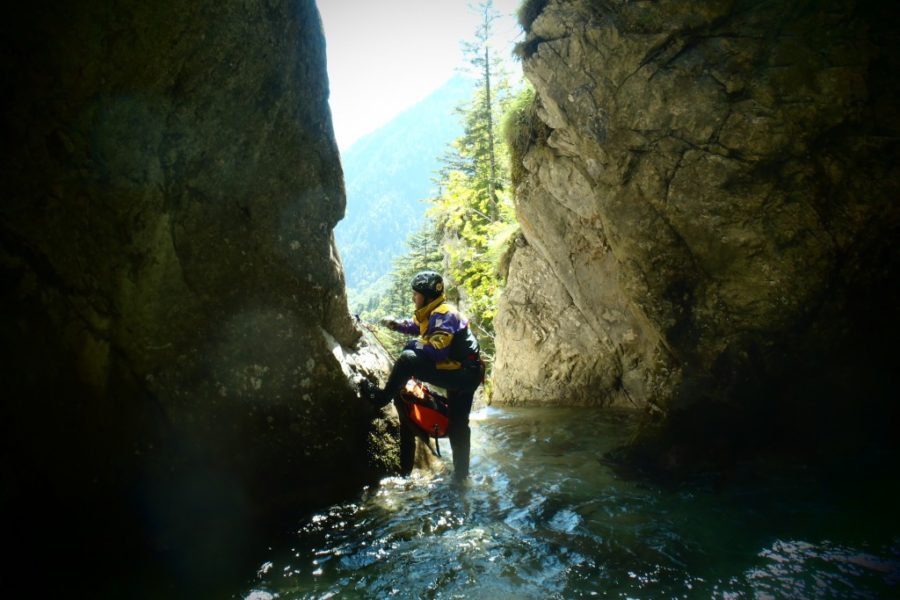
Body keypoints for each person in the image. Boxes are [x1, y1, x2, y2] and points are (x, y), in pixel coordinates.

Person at [363, 270, 483, 481]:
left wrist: (412, 345)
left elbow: (437, 350)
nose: (413, 298)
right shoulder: (434, 310)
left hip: (463, 375)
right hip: (467, 374)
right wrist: (395, 325)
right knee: (458, 424)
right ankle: (462, 476)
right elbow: (417, 326)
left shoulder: (444, 314)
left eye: (416, 294)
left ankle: (382, 398)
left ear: (427, 297)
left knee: (408, 358)